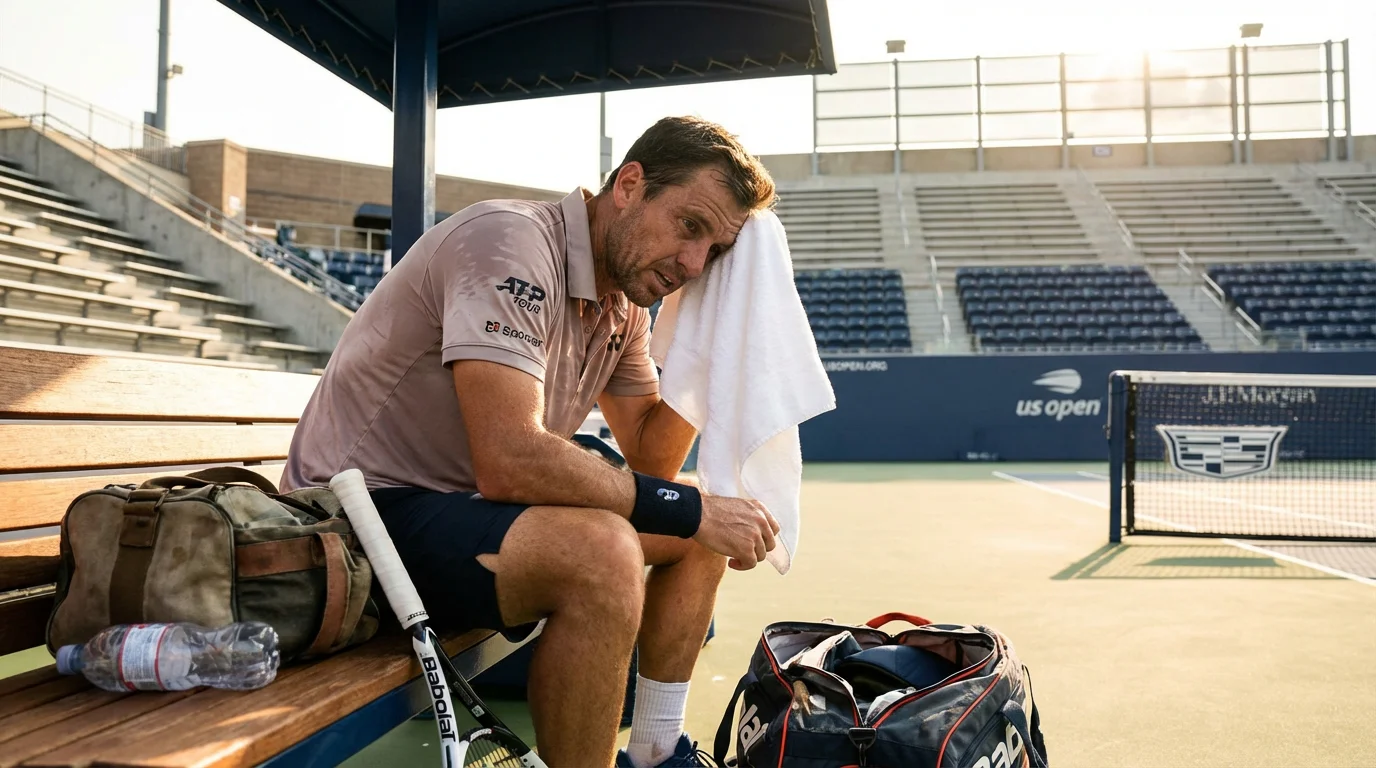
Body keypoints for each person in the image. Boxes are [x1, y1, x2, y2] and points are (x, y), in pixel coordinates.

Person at [282, 116, 781, 767]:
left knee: (694, 521)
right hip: (354, 522)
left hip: (453, 514)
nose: (693, 264)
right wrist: (688, 509)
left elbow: (653, 457)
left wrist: (710, 346)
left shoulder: (621, 307)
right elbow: (510, 457)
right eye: (690, 226)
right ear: (629, 185)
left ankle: (657, 752)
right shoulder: (508, 242)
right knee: (604, 553)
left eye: (714, 252)